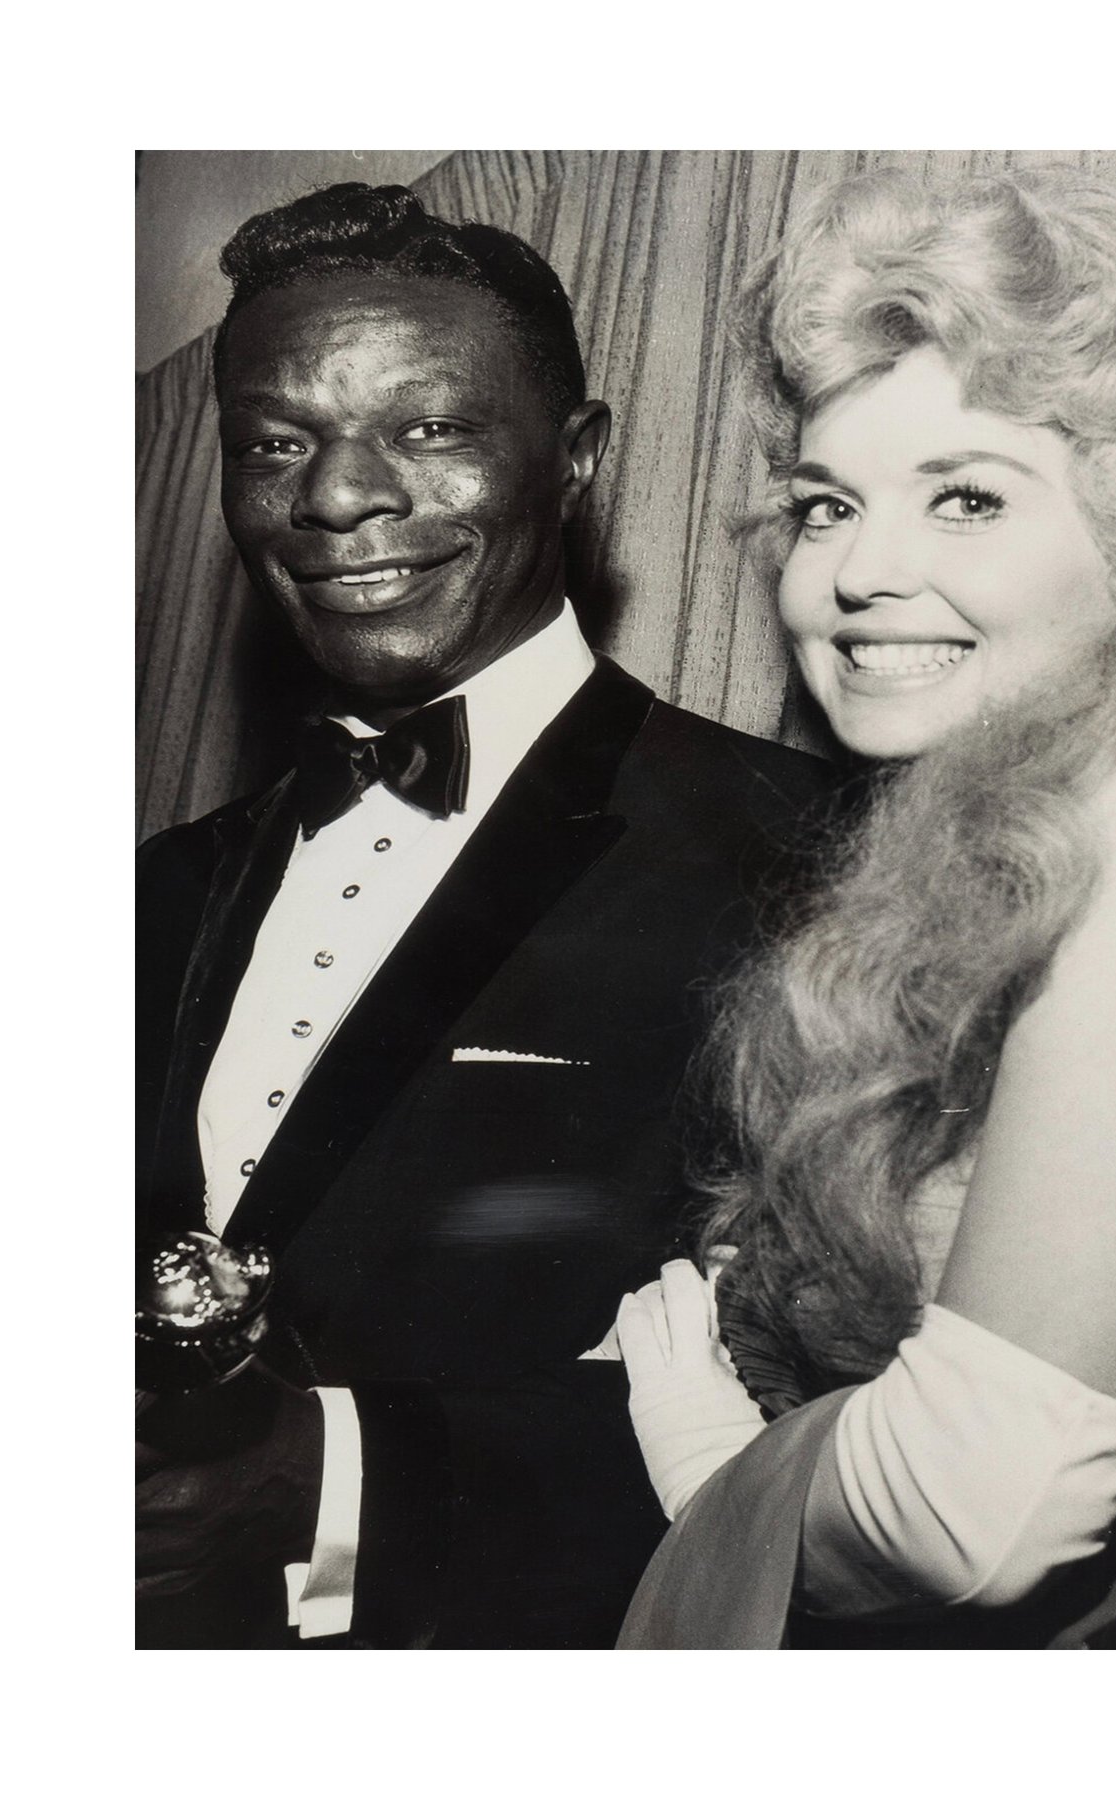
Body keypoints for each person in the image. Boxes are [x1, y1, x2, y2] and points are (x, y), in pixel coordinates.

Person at [135, 183, 831, 1649]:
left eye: (429, 428)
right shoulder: (156, 887)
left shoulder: (807, 857)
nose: (336, 496)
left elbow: (851, 1434)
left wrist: (337, 1486)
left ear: (575, 461)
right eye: (276, 442)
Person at [610, 166, 1116, 1648]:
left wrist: (721, 1478)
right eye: (826, 504)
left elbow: (981, 1509)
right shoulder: (1003, 843)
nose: (858, 571)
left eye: (966, 496)